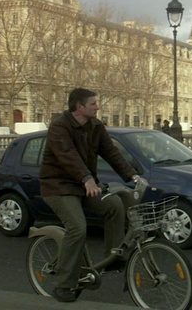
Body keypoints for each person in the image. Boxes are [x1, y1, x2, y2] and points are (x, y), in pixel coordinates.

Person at [39, 88, 145, 303]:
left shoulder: (96, 126)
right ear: (80, 107)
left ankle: (112, 257)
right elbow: (67, 156)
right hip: (59, 186)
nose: (98, 106)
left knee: (115, 205)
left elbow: (112, 153)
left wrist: (132, 176)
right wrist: (87, 178)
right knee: (77, 228)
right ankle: (63, 284)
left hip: (85, 185)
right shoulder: (59, 126)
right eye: (94, 103)